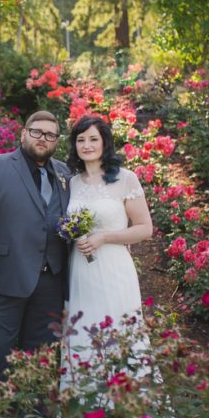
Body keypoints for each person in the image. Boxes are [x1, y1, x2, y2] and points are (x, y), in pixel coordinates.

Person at [0, 110, 72, 382]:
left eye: (50, 135)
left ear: (56, 141)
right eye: (37, 132)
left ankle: (33, 417)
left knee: (42, 355)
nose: (42, 138)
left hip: (51, 280)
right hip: (5, 276)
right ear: (24, 133)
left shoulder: (63, 172)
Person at [59, 115, 154, 394]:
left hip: (114, 269)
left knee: (117, 332)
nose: (86, 145)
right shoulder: (71, 183)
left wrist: (104, 237)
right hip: (80, 270)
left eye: (93, 139)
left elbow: (144, 229)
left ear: (105, 143)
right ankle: (85, 404)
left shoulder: (125, 179)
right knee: (84, 330)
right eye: (80, 140)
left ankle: (129, 406)